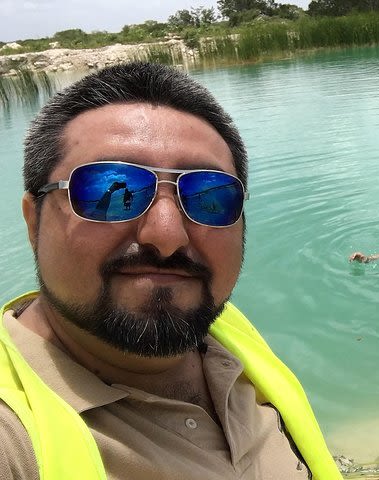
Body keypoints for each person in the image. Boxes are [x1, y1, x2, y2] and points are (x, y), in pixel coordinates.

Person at [0, 62, 341, 480]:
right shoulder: (13, 438)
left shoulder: (225, 333)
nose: (167, 236)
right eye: (110, 190)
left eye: (209, 196)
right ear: (34, 221)